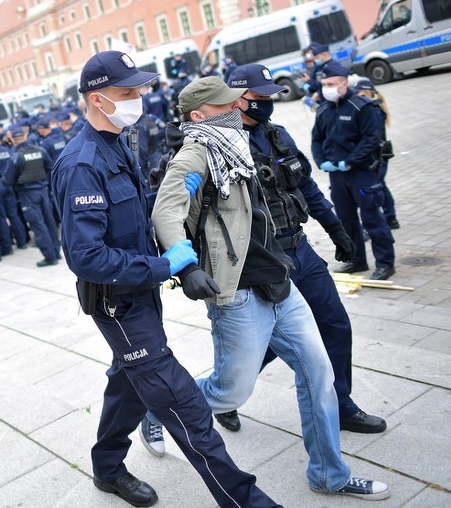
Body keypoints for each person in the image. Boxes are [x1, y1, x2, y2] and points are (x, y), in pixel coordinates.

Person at [52, 51, 280, 507]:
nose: (137, 98)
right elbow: (86, 256)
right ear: (97, 99)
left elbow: (125, 216)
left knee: (129, 387)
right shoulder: (81, 164)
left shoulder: (117, 142)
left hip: (140, 294)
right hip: (117, 303)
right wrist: (165, 266)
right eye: (126, 92)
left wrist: (169, 192)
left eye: (138, 89)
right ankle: (246, 500)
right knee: (183, 404)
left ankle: (107, 469)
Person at [151, 75, 390, 500]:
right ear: (199, 116)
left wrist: (331, 229)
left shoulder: (238, 143)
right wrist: (185, 267)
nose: (236, 109)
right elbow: (165, 213)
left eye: (235, 102)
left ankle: (328, 474)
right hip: (238, 292)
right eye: (225, 105)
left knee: (318, 373)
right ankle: (156, 408)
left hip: (280, 280)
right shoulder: (195, 155)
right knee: (229, 392)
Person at [203, 64, 385, 434]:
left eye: (270, 96)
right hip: (259, 259)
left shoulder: (277, 134)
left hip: (299, 249)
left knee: (334, 323)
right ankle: (226, 396)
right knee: (260, 343)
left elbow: (304, 185)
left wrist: (335, 227)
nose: (267, 102)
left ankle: (341, 405)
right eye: (259, 97)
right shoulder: (216, 145)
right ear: (236, 98)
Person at [311, 61, 395, 280]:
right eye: (324, 84)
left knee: (372, 219)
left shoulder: (362, 106)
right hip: (336, 175)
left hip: (361, 173)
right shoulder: (324, 110)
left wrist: (349, 161)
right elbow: (316, 139)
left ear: (344, 83)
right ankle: (356, 261)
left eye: (331, 84)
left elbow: (371, 139)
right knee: (346, 220)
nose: (326, 88)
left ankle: (385, 263)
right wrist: (321, 161)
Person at [3, 127, 59, 267]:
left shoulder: (16, 156)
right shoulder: (40, 150)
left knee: (38, 225)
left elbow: (7, 180)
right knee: (49, 222)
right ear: (25, 136)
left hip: (28, 194)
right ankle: (56, 252)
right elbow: (50, 168)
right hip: (43, 191)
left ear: (13, 140)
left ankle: (50, 257)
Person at [351, 79, 399, 229]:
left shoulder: (374, 109)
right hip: (378, 152)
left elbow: (371, 135)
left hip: (378, 154)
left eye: (358, 93)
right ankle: (390, 217)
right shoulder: (375, 107)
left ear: (365, 92)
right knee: (380, 185)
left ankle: (389, 218)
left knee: (379, 185)